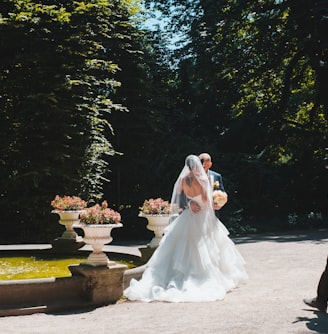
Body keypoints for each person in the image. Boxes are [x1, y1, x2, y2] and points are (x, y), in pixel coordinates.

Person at [124, 154, 248, 302]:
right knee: (206, 246)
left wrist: (190, 204)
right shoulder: (201, 180)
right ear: (196, 165)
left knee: (183, 245)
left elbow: (179, 198)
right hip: (202, 217)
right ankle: (204, 275)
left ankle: (180, 275)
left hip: (188, 216)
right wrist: (213, 201)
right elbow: (205, 201)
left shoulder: (183, 180)